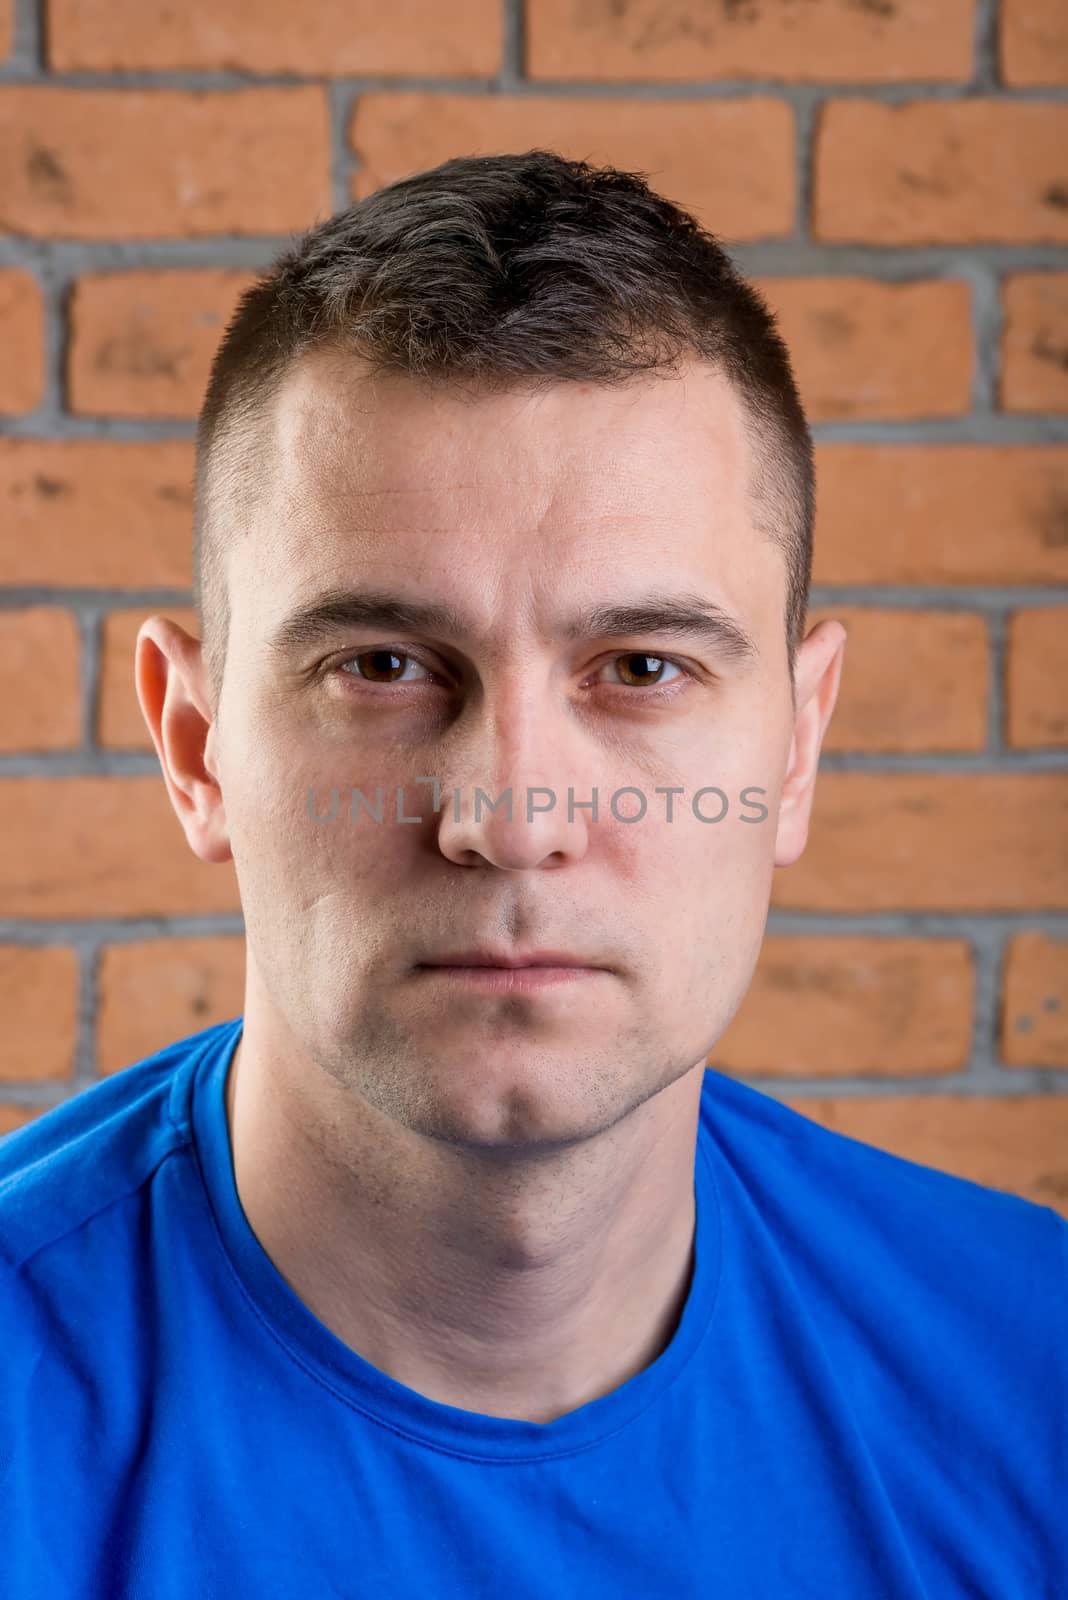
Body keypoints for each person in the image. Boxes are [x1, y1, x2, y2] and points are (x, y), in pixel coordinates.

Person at [0, 150, 1064, 1599]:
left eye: (642, 668)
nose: (509, 816)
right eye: (380, 667)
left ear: (798, 746)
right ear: (197, 748)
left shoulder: (1030, 1374)